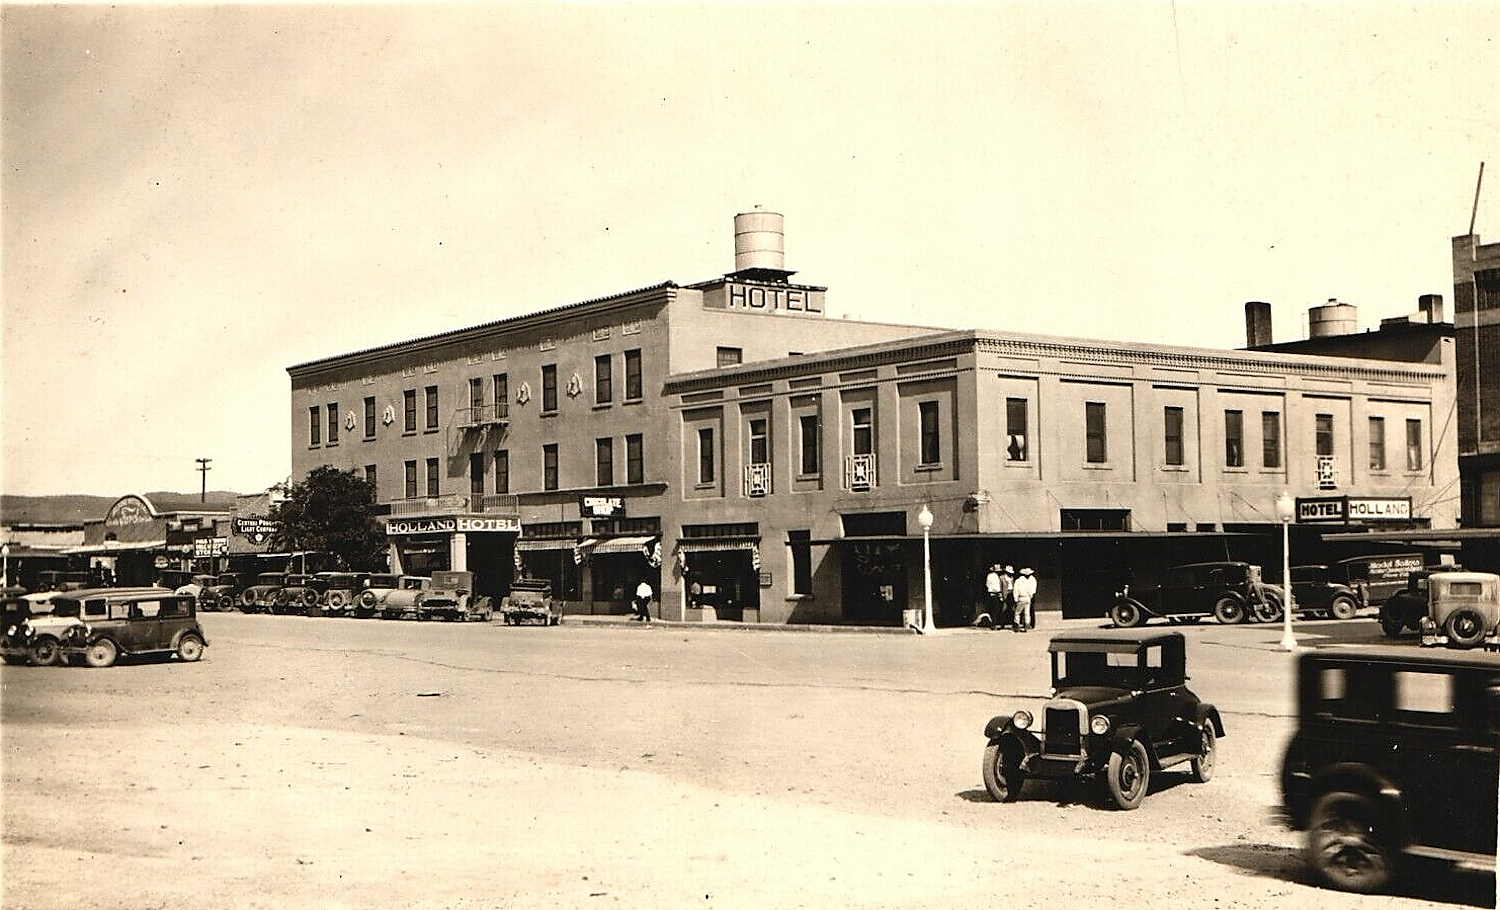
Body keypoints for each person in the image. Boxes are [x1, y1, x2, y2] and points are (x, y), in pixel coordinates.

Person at [1012, 566, 1038, 632]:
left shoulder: (1018, 581)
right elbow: (1031, 591)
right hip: (1027, 597)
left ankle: (1017, 626)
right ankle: (1026, 625)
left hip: (1021, 597)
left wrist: (1015, 599)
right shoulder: (1029, 581)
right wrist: (1030, 596)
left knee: (1017, 612)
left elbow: (1015, 590)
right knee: (1027, 612)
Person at [998, 565, 1017, 630]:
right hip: (1005, 594)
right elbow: (1000, 587)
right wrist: (1001, 595)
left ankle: (1013, 624)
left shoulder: (1012, 578)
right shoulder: (1001, 578)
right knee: (1004, 609)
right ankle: (1002, 624)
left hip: (1011, 593)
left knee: (1013, 609)